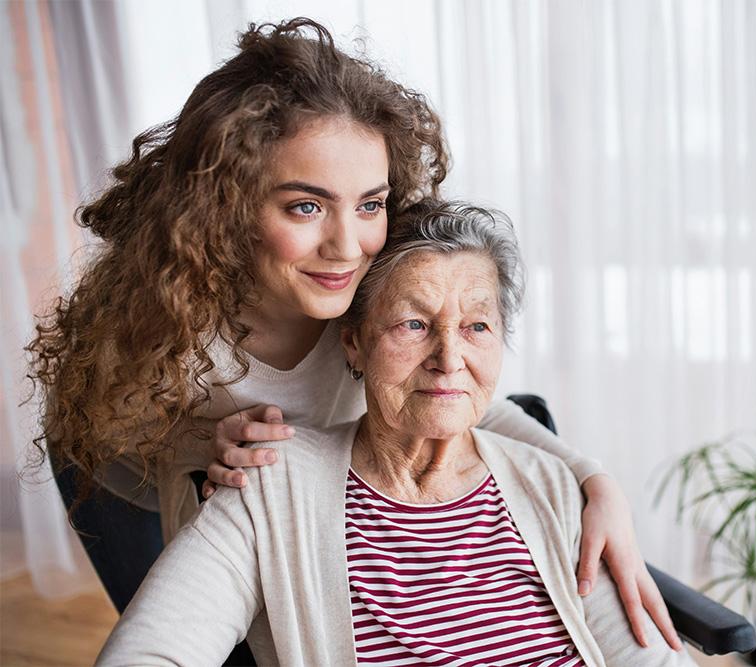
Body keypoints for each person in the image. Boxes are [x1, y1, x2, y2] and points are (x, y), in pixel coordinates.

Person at [27, 16, 677, 653]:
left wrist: (596, 483)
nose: (346, 247)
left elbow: (459, 394)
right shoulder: (172, 321)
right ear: (226, 203)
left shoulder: (368, 299)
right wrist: (194, 450)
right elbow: (138, 442)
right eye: (305, 206)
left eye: (369, 203)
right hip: (124, 455)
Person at [97, 200, 694, 666]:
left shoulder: (551, 488)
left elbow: (646, 653)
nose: (449, 358)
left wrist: (594, 478)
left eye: (478, 325)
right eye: (413, 323)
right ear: (353, 342)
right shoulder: (270, 489)